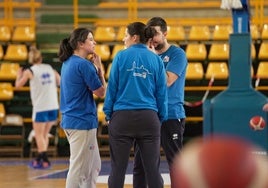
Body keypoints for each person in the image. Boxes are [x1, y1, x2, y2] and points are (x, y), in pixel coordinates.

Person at [103, 22, 168, 188]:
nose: (124, 39)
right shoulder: (156, 59)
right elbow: (161, 93)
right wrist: (161, 116)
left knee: (118, 169)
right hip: (149, 117)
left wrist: (108, 113)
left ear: (134, 37)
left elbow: (112, 88)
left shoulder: (120, 56)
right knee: (153, 170)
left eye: (126, 35)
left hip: (122, 117)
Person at [133, 17, 188, 188]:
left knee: (175, 161)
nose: (152, 39)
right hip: (148, 114)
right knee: (141, 163)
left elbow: (167, 81)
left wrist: (151, 56)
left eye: (155, 34)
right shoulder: (146, 55)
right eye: (149, 35)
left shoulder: (177, 54)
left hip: (171, 113)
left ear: (165, 33)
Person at [58, 27, 106, 188]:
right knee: (79, 169)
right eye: (91, 39)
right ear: (80, 43)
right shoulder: (84, 65)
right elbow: (101, 92)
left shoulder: (68, 62)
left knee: (93, 166)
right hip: (81, 122)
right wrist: (100, 68)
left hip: (73, 120)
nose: (95, 42)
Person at [15, 46, 60, 169]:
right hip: (53, 106)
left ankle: (44, 159)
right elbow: (59, 81)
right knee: (44, 134)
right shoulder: (50, 68)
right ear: (40, 58)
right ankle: (41, 157)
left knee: (39, 134)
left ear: (31, 60)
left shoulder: (29, 71)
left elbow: (18, 86)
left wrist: (18, 75)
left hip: (41, 107)